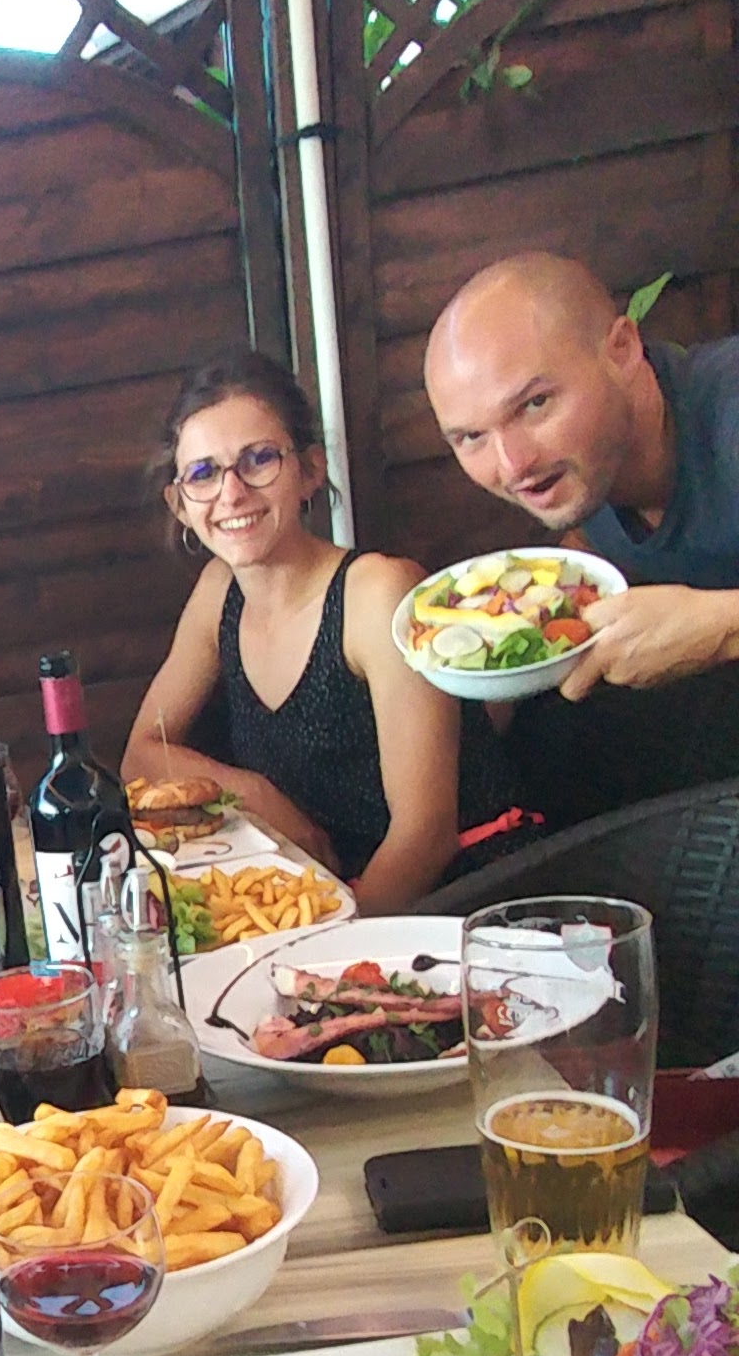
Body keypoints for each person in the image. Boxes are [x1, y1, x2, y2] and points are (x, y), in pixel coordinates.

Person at [123, 349, 516, 911]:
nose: (231, 493)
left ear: (309, 471)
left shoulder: (378, 593)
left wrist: (327, 947)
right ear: (180, 504)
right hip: (328, 902)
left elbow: (426, 839)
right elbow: (142, 754)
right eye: (203, 474)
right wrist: (256, 795)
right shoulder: (218, 593)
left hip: (464, 899)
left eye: (259, 459)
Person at [424, 251, 739, 828]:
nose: (513, 465)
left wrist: (721, 625)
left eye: (535, 404)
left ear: (622, 349)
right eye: (470, 437)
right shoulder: (583, 479)